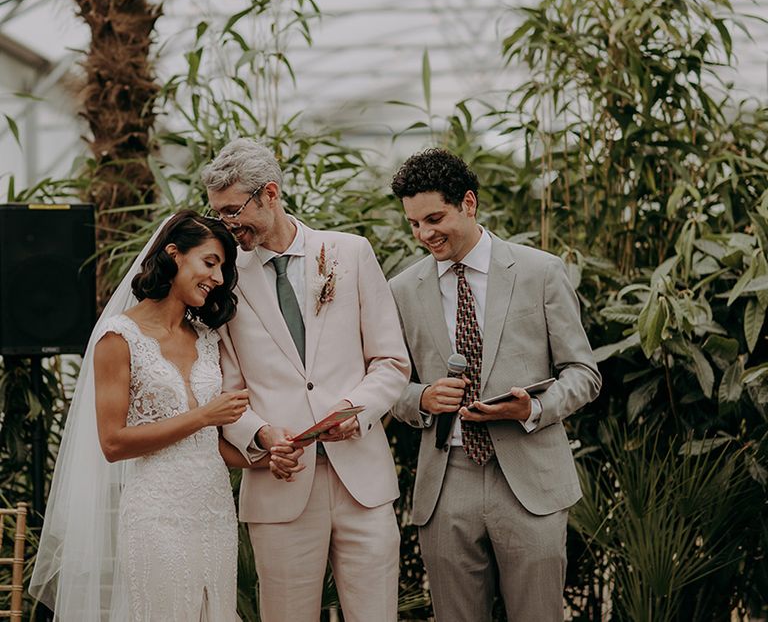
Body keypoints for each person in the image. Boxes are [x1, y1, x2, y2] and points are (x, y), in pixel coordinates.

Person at [202, 138, 410, 622]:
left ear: (270, 194)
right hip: (280, 483)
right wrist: (260, 434)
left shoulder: (350, 253)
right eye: (219, 214)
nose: (227, 225)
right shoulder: (225, 278)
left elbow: (391, 361)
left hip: (364, 483)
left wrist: (354, 414)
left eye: (234, 211)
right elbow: (226, 388)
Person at [389, 148, 601, 621]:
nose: (424, 234)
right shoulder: (401, 289)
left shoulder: (541, 271)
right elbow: (388, 385)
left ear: (468, 203)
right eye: (414, 224)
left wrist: (531, 410)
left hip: (531, 480)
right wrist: (420, 397)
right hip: (446, 481)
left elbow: (584, 374)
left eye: (434, 218)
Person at [30, 210, 252, 621]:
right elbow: (113, 443)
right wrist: (204, 415)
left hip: (216, 513)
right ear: (174, 254)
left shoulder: (206, 339)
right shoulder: (119, 338)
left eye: (223, 267)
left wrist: (261, 457)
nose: (218, 278)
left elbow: (210, 447)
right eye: (209, 262)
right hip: (158, 515)